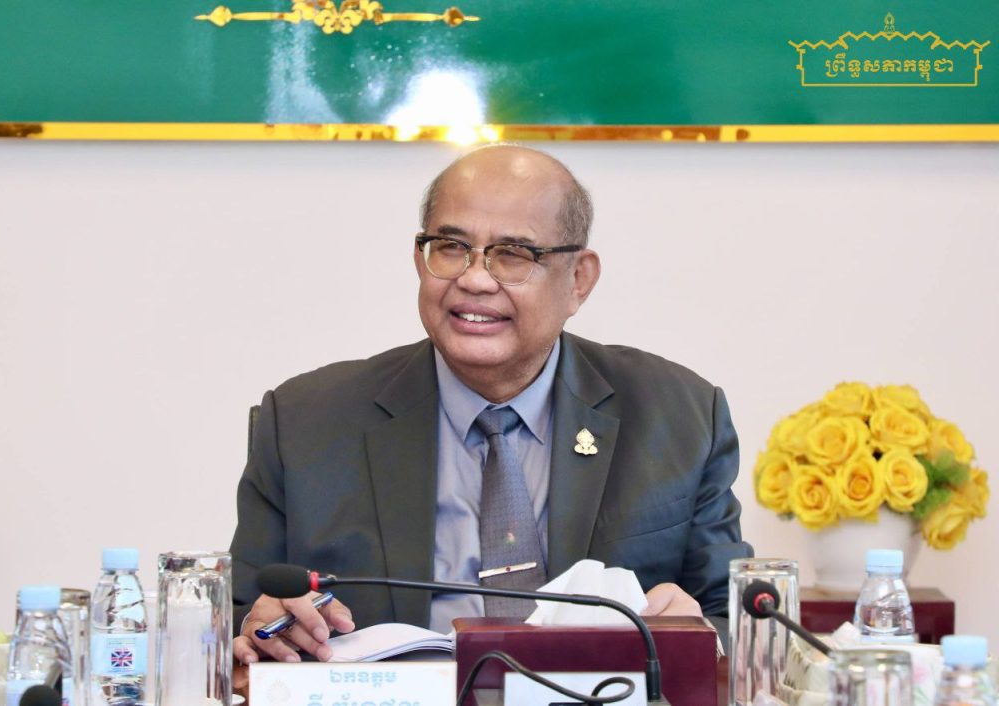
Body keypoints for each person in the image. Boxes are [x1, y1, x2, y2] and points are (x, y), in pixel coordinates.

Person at [230, 144, 752, 664]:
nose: (475, 279)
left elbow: (738, 619)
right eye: (451, 247)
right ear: (420, 259)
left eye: (513, 254)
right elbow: (237, 616)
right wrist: (260, 625)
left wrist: (697, 633)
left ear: (578, 280)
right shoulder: (304, 423)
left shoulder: (678, 417)